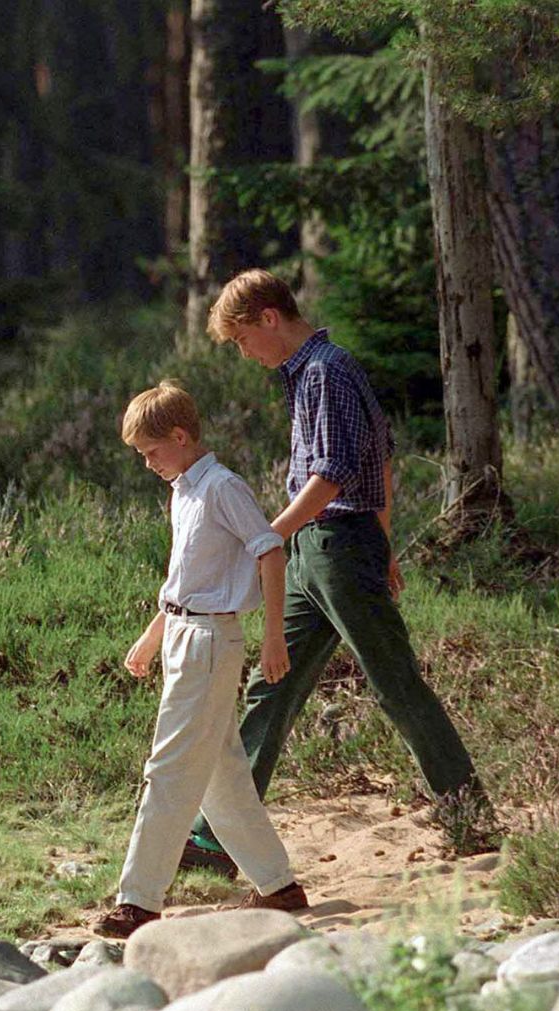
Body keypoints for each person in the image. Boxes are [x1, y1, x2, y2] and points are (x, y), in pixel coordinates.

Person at [184, 269, 499, 875]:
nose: (246, 355)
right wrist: (381, 541)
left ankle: (472, 820)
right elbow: (378, 458)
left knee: (394, 682)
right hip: (318, 551)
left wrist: (268, 534)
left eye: (244, 340)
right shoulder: (310, 372)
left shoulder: (325, 370)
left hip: (333, 545)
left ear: (269, 318)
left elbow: (331, 474)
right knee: (271, 688)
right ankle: (213, 839)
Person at [93, 381, 308, 939]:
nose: (147, 463)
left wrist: (275, 638)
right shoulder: (182, 492)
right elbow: (184, 582)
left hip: (213, 642)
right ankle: (278, 886)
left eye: (151, 451)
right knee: (220, 776)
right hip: (182, 638)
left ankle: (138, 900)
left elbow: (269, 549)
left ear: (181, 436)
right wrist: (150, 638)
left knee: (168, 770)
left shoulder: (221, 488)